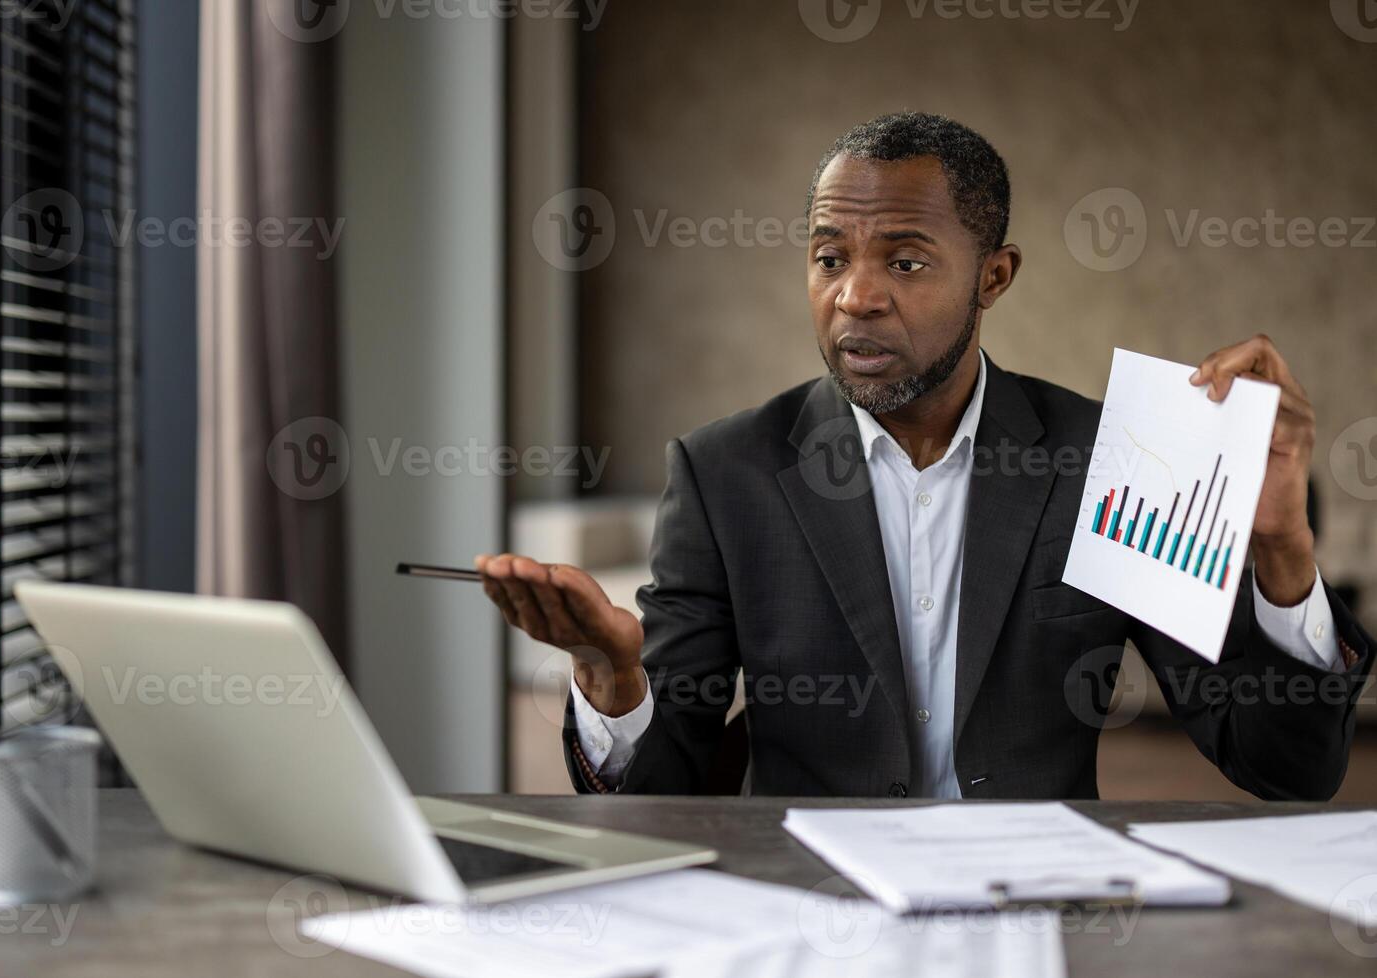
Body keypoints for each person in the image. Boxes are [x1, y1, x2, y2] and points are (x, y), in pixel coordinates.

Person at [478, 111, 1371, 799]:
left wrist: (1284, 555)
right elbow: (658, 790)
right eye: (829, 257)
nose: (854, 297)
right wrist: (611, 676)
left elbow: (1281, 769)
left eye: (904, 263)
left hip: (1040, 910)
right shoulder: (724, 476)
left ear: (993, 277)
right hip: (810, 915)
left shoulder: (1105, 458)